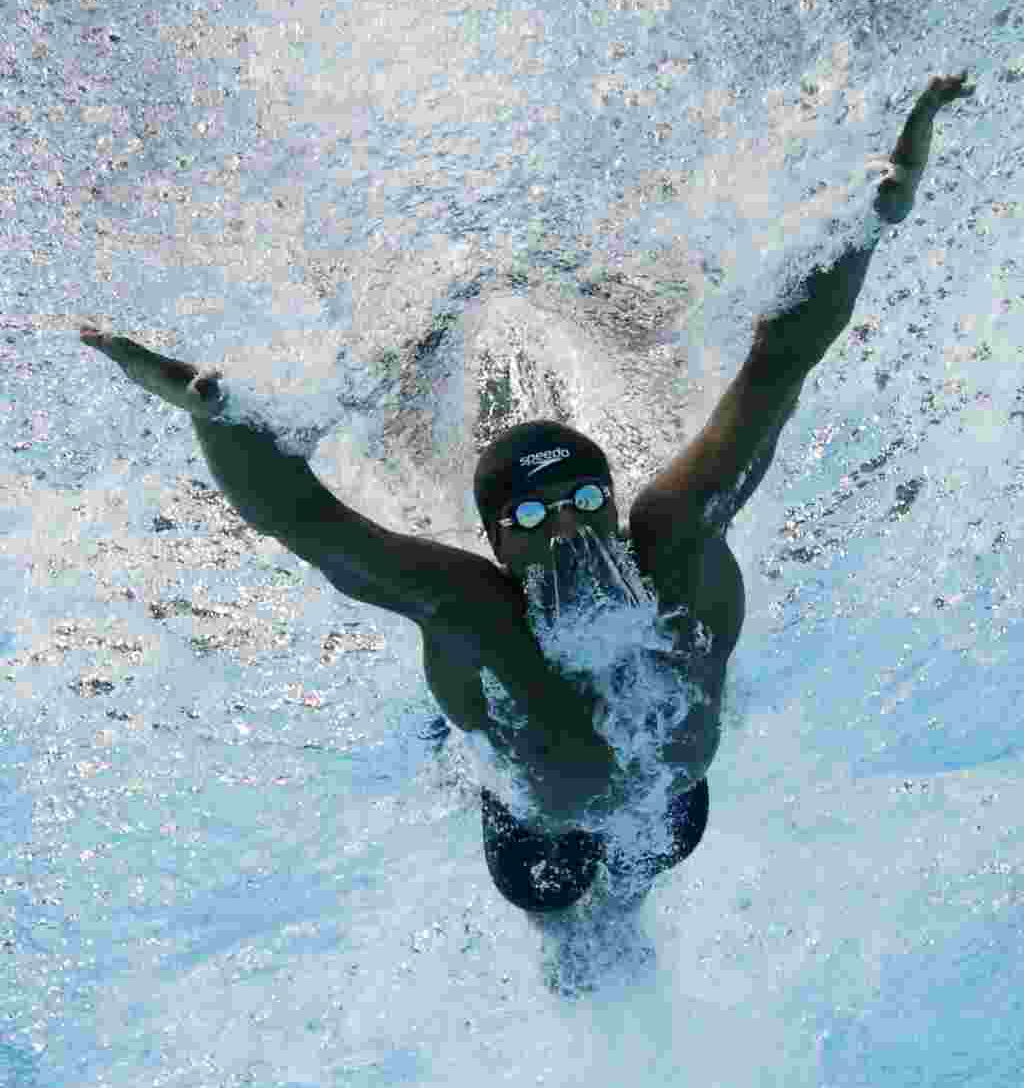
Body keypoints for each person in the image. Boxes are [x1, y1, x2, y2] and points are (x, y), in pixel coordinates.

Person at [80, 72, 973, 923]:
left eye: (586, 498)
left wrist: (870, 213)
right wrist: (216, 413)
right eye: (539, 517)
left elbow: (779, 366)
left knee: (644, 865)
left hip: (664, 794)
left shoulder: (662, 540)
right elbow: (308, 526)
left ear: (615, 500)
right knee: (552, 901)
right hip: (556, 810)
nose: (574, 526)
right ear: (499, 544)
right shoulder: (479, 610)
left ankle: (627, 921)